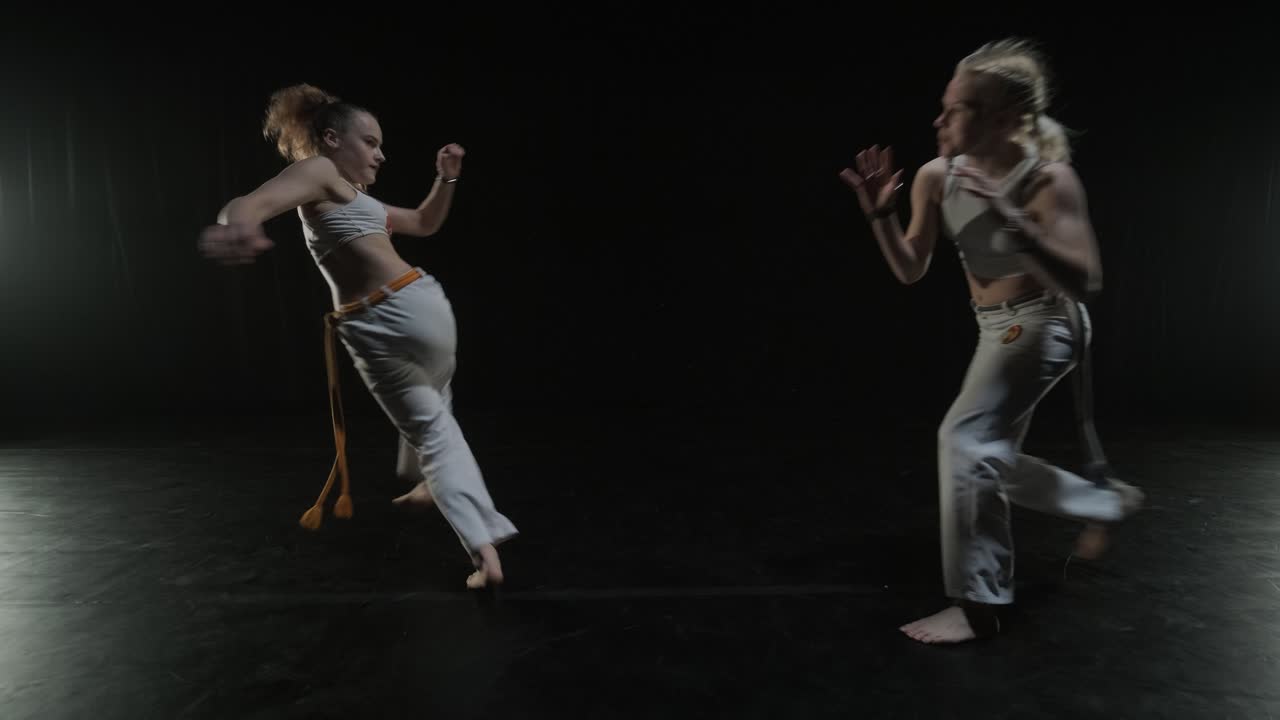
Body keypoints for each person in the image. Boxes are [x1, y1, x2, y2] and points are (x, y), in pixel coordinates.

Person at [838, 39, 1143, 643]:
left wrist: (1013, 221)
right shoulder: (934, 175)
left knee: (965, 440)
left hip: (1048, 322)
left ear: (1003, 120)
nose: (938, 120)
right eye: (942, 106)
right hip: (997, 326)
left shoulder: (1049, 179)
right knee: (986, 458)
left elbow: (1087, 281)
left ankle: (978, 606)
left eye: (956, 109)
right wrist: (881, 217)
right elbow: (910, 269)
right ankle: (1098, 502)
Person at [198, 83, 517, 589]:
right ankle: (424, 484)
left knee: (433, 426)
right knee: (435, 401)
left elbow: (422, 221)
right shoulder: (324, 174)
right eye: (370, 142)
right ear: (330, 138)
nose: (381, 154)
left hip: (382, 320)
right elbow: (251, 203)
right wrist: (238, 222)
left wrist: (444, 180)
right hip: (425, 306)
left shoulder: (342, 186)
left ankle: (484, 549)